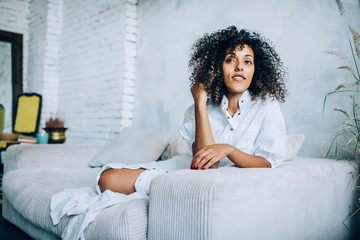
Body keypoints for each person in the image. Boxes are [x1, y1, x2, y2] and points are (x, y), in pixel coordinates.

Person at [97, 25, 287, 196]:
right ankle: (166, 191)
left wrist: (228, 150)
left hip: (207, 180)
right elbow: (204, 164)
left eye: (247, 62)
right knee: (107, 179)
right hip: (188, 170)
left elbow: (266, 162)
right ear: (216, 68)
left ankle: (166, 191)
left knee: (193, 186)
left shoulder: (266, 105)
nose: (239, 67)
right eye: (230, 60)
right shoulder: (198, 108)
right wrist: (200, 103)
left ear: (256, 69)